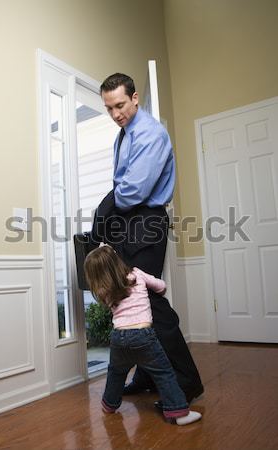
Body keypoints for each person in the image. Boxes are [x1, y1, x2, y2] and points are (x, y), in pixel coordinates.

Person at [91, 73, 204, 404]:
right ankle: (148, 373)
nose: (116, 114)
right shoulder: (124, 134)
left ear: (135, 98)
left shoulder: (150, 134)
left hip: (146, 220)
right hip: (130, 221)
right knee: (131, 297)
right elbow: (124, 189)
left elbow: (132, 192)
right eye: (109, 108)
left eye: (121, 105)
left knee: (149, 299)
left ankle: (187, 381)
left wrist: (103, 208)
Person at [84, 245, 202, 426]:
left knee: (116, 373)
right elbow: (161, 286)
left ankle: (109, 404)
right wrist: (158, 290)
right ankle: (178, 412)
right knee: (164, 373)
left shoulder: (104, 291)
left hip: (118, 339)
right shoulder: (137, 274)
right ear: (118, 260)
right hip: (143, 336)